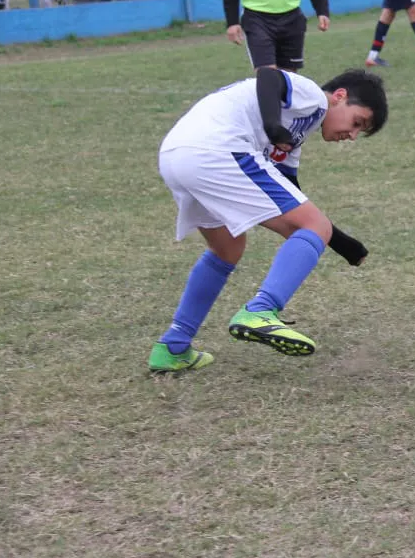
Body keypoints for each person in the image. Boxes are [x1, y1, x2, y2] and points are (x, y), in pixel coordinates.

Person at [148, 68, 388, 373]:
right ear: (340, 97)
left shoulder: (298, 129)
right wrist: (274, 126)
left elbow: (290, 193)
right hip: (216, 149)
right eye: (357, 123)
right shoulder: (315, 97)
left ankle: (173, 345)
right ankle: (261, 310)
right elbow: (270, 77)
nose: (352, 135)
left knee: (228, 249)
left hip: (177, 154)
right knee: (313, 226)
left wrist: (341, 243)